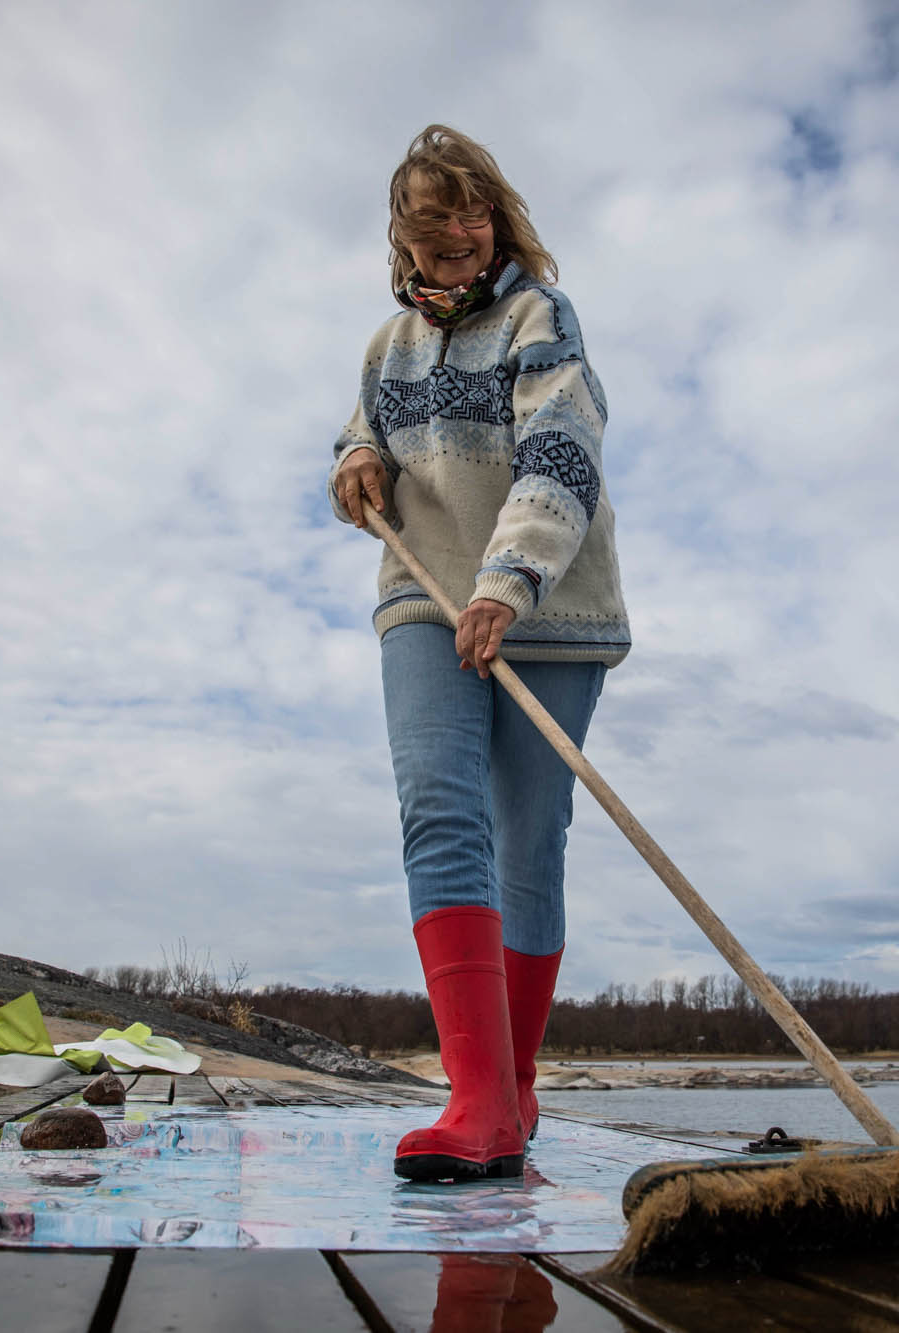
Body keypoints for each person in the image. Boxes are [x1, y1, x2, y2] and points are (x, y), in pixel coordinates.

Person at [329, 126, 630, 1182]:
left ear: (495, 225)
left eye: (474, 243)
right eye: (438, 254)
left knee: (526, 838)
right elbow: (358, 436)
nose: (459, 268)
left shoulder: (539, 320)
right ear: (406, 249)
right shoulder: (385, 348)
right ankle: (478, 1104)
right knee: (438, 811)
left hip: (542, 603)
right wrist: (357, 461)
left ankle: (512, 1079)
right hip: (422, 591)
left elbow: (561, 448)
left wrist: (507, 581)